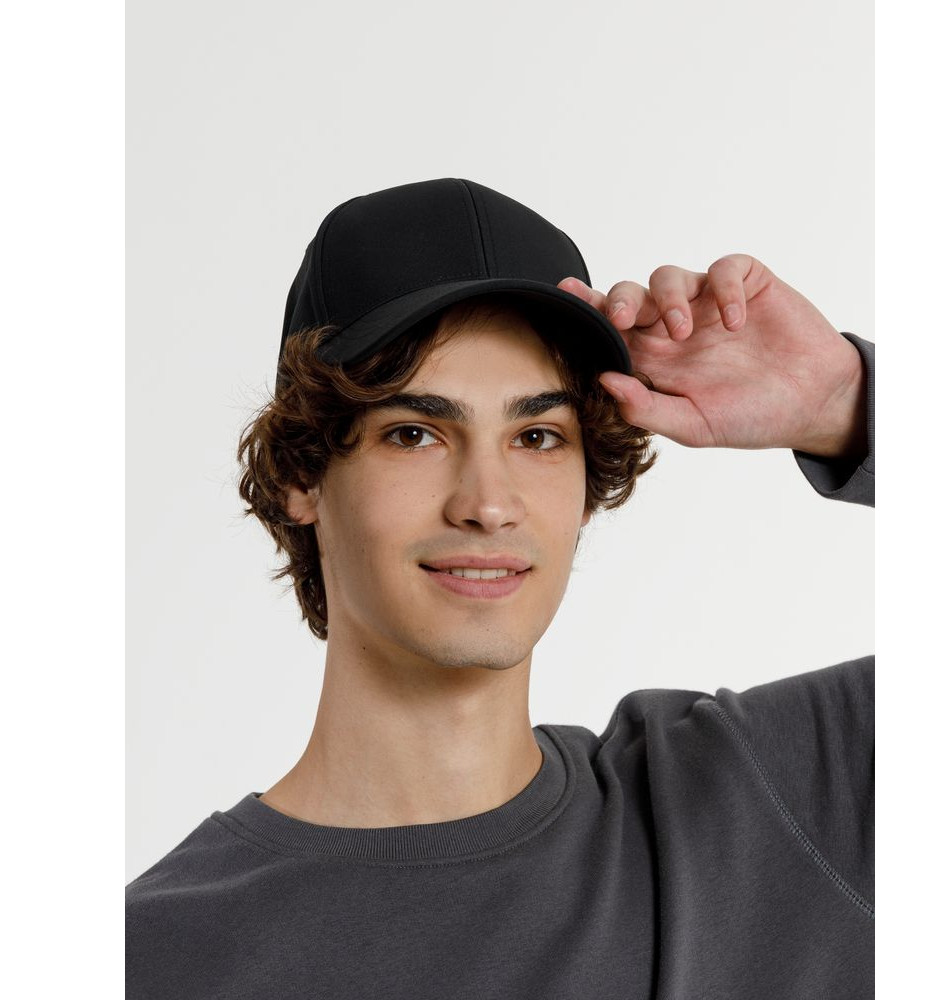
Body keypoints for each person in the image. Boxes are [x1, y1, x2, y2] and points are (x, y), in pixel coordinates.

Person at [126, 178, 874, 999]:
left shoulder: (766, 805)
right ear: (302, 474)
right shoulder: (151, 958)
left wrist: (847, 404)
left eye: (538, 436)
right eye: (415, 433)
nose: (487, 504)